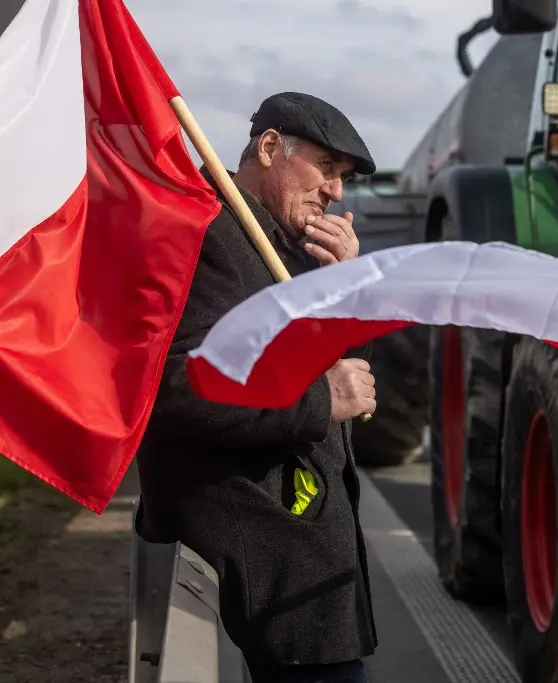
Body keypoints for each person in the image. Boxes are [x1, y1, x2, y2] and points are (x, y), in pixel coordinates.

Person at [134, 92, 380, 683]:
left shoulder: (286, 246)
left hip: (293, 570)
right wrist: (321, 400)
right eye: (326, 168)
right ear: (270, 148)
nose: (337, 192)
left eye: (343, 177)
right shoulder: (206, 233)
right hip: (254, 556)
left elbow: (347, 371)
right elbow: (174, 386)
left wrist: (343, 288)